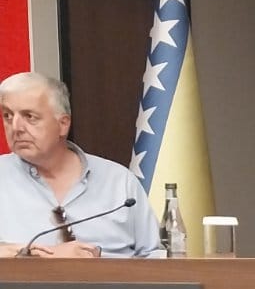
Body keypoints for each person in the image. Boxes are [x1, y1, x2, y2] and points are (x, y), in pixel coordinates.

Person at [0, 72, 162, 258]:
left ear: (63, 124)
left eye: (30, 117)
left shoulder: (118, 181)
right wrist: (39, 255)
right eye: (8, 116)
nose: (16, 128)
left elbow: (155, 258)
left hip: (112, 277)